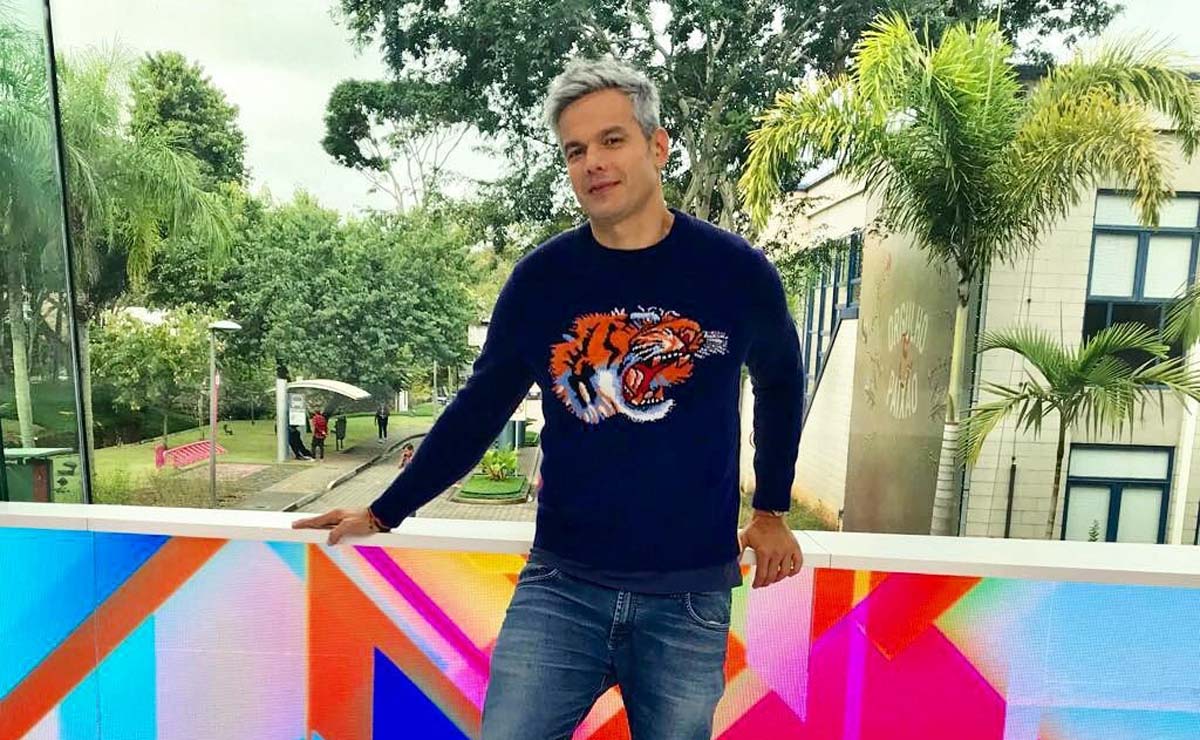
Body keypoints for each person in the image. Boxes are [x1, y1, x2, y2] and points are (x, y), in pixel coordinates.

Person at [294, 58, 804, 740]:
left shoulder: (735, 271)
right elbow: (479, 408)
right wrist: (385, 510)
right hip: (562, 588)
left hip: (687, 597)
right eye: (575, 150)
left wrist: (771, 509)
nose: (593, 162)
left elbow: (781, 380)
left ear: (657, 146)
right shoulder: (543, 280)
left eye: (612, 140)